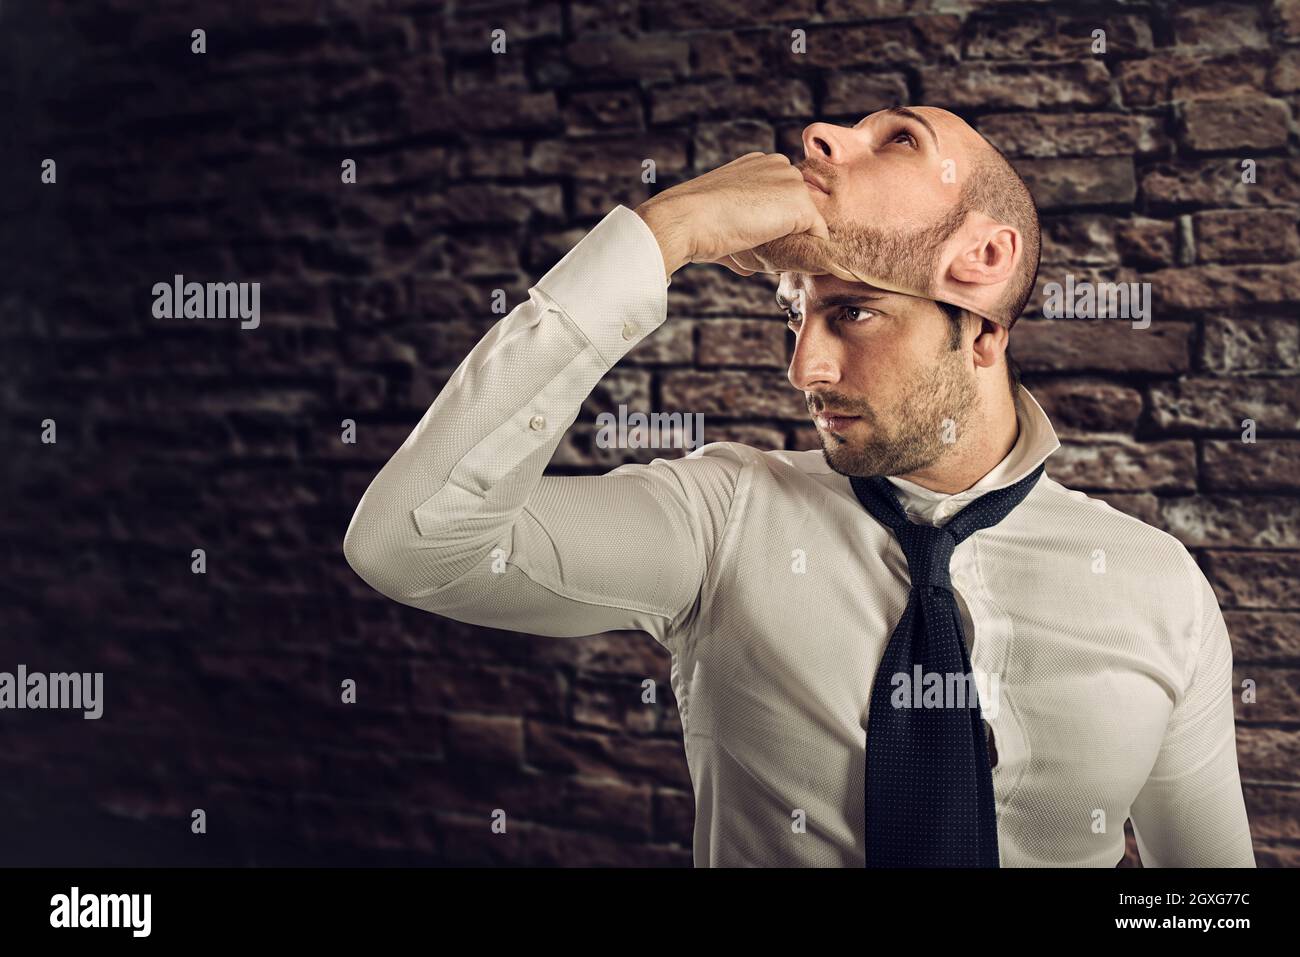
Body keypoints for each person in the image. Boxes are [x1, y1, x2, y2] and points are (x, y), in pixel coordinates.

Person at [343, 107, 1256, 868]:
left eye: (851, 313)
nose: (804, 368)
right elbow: (412, 546)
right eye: (795, 314)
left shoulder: (1157, 586)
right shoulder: (720, 518)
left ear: (983, 272)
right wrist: (662, 236)